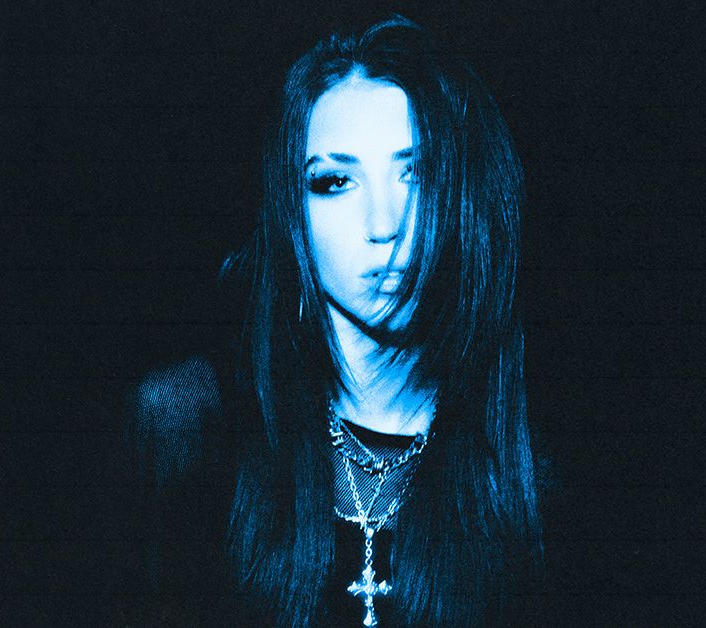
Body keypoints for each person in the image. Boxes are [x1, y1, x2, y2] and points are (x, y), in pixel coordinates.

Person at [128, 15, 546, 627]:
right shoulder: (190, 426)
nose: (384, 225)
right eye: (335, 182)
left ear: (465, 195)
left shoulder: (537, 451)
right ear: (290, 210)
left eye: (417, 173)